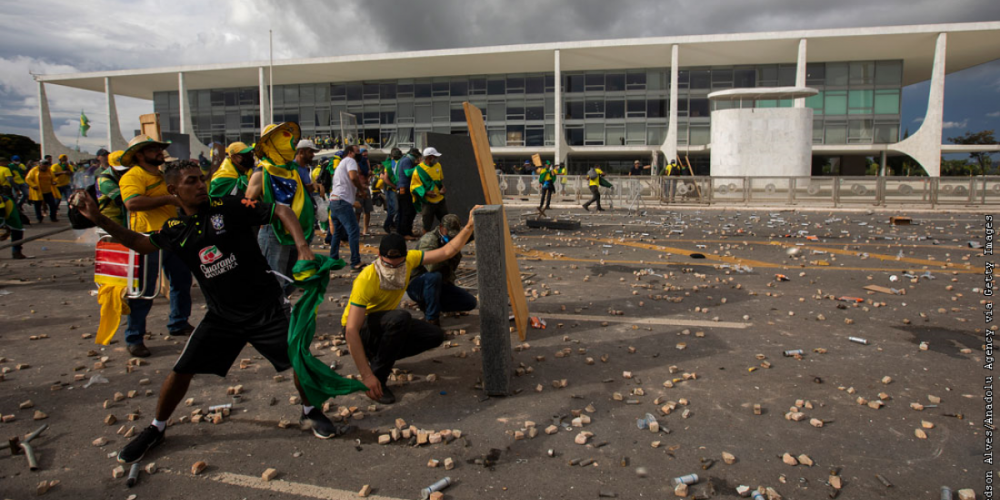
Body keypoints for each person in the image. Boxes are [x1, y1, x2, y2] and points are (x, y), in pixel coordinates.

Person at [71, 160, 353, 465]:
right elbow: (140, 243)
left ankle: (310, 411)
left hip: (266, 308)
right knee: (181, 372)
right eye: (191, 181)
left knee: (299, 360)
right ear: (173, 189)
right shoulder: (176, 229)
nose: (200, 185)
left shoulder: (228, 206)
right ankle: (157, 427)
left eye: (201, 180)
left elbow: (281, 211)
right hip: (223, 317)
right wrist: (99, 217)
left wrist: (302, 247)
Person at [343, 213, 478, 404]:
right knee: (400, 318)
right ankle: (378, 379)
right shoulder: (366, 279)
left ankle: (380, 356)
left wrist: (469, 225)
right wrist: (366, 376)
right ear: (379, 257)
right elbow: (350, 330)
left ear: (405, 258)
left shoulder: (411, 260)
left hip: (384, 324)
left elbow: (447, 252)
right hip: (361, 330)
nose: (393, 270)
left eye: (398, 265)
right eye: (388, 265)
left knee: (435, 335)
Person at [119, 134, 195, 356]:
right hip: (147, 238)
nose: (159, 152)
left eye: (159, 148)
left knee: (181, 281)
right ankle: (134, 337)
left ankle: (179, 323)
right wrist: (169, 200)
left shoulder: (162, 175)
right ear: (139, 155)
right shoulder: (133, 176)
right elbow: (132, 202)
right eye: (153, 149)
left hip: (172, 235)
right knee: (144, 289)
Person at [246, 123, 316, 296]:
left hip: (295, 230)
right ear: (274, 144)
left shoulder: (291, 171)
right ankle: (274, 314)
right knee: (274, 279)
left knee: (292, 278)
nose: (291, 144)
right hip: (273, 231)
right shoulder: (262, 172)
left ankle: (279, 306)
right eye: (285, 139)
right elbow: (247, 206)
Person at [406, 214, 478, 327]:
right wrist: (449, 251)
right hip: (418, 284)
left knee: (469, 302)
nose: (451, 237)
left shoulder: (452, 237)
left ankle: (433, 304)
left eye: (454, 235)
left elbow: (470, 234)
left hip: (440, 285)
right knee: (434, 276)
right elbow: (431, 267)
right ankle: (431, 320)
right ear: (441, 228)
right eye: (448, 233)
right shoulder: (429, 240)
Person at [328, 144, 366, 271]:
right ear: (350, 152)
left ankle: (333, 259)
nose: (359, 154)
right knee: (353, 230)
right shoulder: (350, 160)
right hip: (342, 202)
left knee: (337, 232)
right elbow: (353, 177)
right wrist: (362, 190)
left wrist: (358, 191)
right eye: (357, 152)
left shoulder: (341, 164)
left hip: (334, 201)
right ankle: (355, 262)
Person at [411, 147, 448, 233]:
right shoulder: (419, 169)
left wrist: (443, 187)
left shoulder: (438, 166)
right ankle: (425, 242)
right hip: (428, 202)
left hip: (440, 200)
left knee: (446, 222)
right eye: (435, 157)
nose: (436, 159)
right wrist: (427, 193)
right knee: (427, 224)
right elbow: (414, 186)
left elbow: (440, 180)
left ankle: (446, 240)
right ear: (429, 157)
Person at [96, 150, 129, 227]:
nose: (124, 171)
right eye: (120, 169)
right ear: (111, 166)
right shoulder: (104, 181)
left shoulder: (119, 175)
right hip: (111, 219)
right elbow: (122, 199)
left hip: (123, 216)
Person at [395, 148, 420, 239]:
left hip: (402, 189)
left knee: (405, 211)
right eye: (416, 157)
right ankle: (405, 233)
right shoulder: (407, 160)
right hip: (405, 189)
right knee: (407, 211)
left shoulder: (404, 160)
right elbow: (408, 173)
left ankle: (405, 232)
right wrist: (418, 167)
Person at [380, 148, 401, 234]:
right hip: (390, 189)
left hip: (393, 189)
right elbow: (384, 178)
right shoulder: (388, 165)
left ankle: (392, 224)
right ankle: (387, 224)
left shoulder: (395, 163)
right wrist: (394, 186)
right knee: (394, 209)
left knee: (393, 209)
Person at [1, 189, 25, 259]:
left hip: (8, 209)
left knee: (17, 230)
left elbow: (1, 210)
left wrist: (2, 226)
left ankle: (16, 251)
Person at [355, 146, 373, 236]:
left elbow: (369, 174)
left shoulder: (366, 162)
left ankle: (365, 229)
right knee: (358, 211)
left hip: (366, 187)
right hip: (359, 188)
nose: (365, 156)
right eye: (363, 154)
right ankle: (356, 229)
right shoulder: (356, 163)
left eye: (366, 154)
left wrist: (369, 176)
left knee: (367, 209)